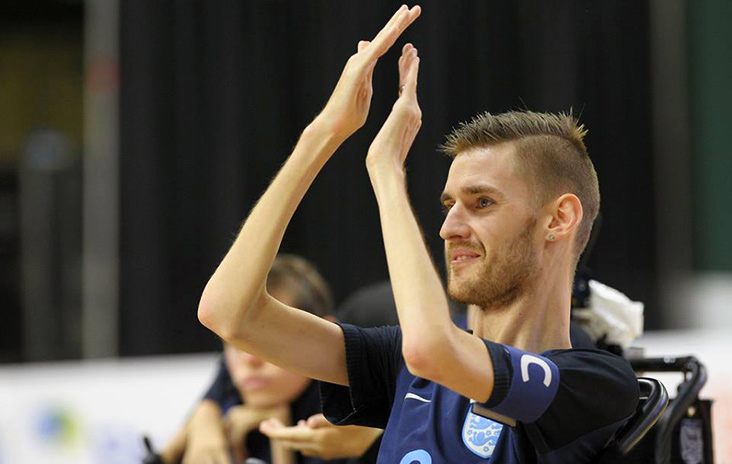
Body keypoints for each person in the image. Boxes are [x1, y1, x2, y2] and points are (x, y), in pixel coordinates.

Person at [198, 5, 639, 463]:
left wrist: (387, 172)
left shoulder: (595, 381)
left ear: (559, 219)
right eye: (448, 205)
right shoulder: (401, 361)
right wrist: (323, 133)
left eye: (482, 203)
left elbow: (433, 348)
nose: (449, 228)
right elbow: (229, 313)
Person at [161, 255, 381, 464]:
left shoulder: (349, 412)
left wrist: (279, 442)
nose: (249, 360)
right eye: (236, 343)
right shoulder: (237, 373)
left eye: (269, 342)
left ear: (325, 333)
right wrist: (204, 420)